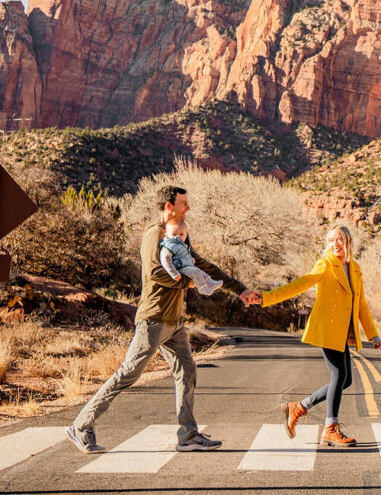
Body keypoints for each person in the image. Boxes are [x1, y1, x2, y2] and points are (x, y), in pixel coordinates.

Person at [65, 186, 261, 454]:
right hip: (154, 319)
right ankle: (80, 424)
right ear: (169, 206)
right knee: (128, 374)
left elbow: (202, 264)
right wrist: (188, 284)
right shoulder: (153, 235)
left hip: (175, 321)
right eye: (183, 203)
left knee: (187, 371)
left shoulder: (179, 235)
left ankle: (188, 435)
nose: (187, 208)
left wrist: (240, 290)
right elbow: (157, 272)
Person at [253, 225, 381, 447]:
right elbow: (299, 285)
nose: (335, 244)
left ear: (348, 241)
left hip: (343, 331)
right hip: (327, 328)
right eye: (332, 240)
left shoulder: (355, 268)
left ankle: (300, 407)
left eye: (340, 240)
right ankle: (330, 428)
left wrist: (373, 334)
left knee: (346, 380)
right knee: (339, 375)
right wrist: (266, 298)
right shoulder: (326, 264)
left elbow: (361, 304)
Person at [159, 220, 222, 296]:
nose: (178, 237)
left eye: (181, 234)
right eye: (174, 234)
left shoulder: (182, 245)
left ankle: (211, 283)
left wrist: (191, 260)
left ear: (186, 235)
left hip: (185, 266)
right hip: (179, 268)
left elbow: (183, 256)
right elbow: (165, 260)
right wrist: (174, 273)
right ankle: (202, 288)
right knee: (195, 272)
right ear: (166, 235)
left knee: (200, 272)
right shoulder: (168, 246)